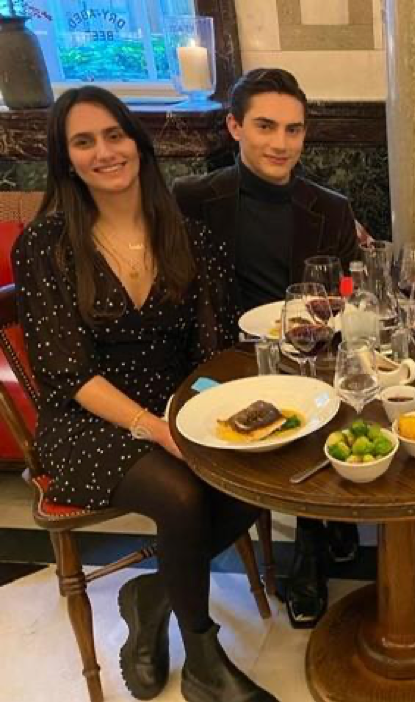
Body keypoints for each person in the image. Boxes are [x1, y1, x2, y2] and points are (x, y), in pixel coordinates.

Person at [13, 86, 276, 702]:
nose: (105, 152)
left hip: (173, 406)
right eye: (84, 142)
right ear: (66, 159)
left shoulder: (190, 237)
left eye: (114, 135)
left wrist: (200, 417)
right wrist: (157, 429)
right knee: (181, 491)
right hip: (86, 421)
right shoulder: (45, 246)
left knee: (260, 469)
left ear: (137, 142)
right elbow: (69, 374)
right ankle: (204, 659)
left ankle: (154, 591)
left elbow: (212, 353)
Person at [173, 68, 362, 629]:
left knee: (333, 394)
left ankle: (312, 541)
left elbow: (347, 292)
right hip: (224, 360)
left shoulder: (331, 207)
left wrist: (348, 296)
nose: (281, 143)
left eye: (293, 129)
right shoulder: (192, 200)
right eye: (265, 126)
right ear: (234, 127)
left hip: (312, 353)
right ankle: (321, 527)